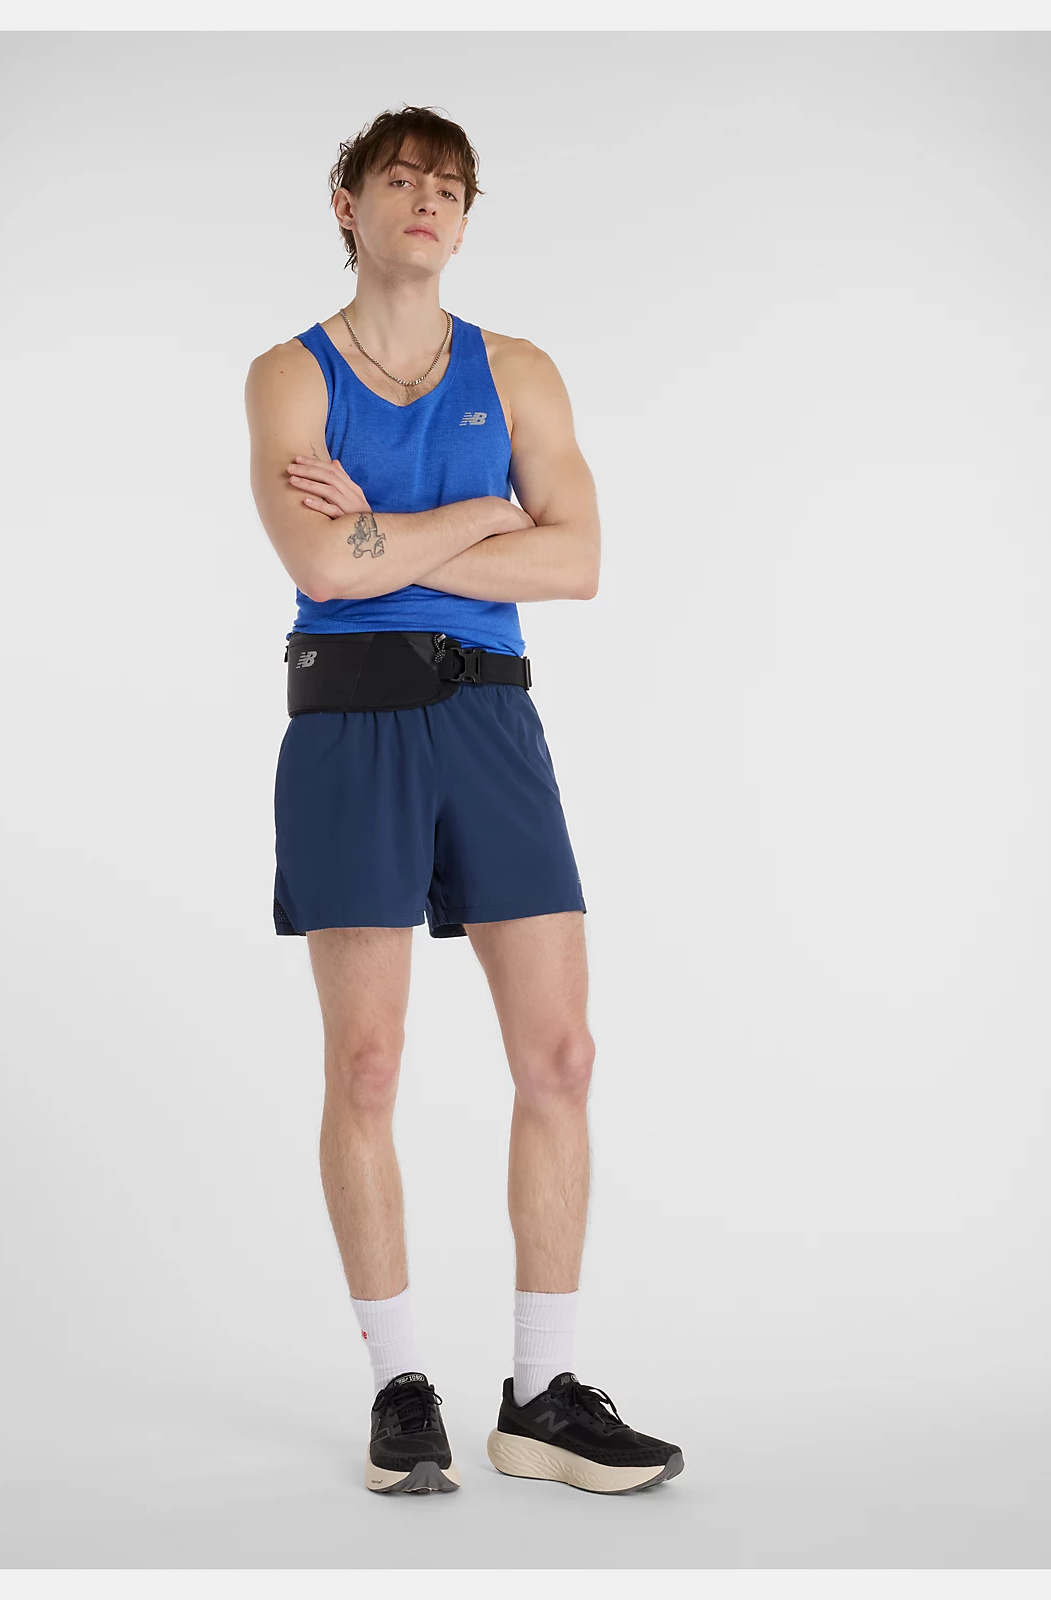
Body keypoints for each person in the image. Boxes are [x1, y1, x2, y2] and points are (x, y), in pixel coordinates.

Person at [244, 105, 683, 1496]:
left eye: (451, 187)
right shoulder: (289, 377)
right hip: (348, 722)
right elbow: (323, 566)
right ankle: (400, 1389)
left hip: (491, 719)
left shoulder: (520, 371)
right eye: (400, 180)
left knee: (562, 1058)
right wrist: (487, 517)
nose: (427, 202)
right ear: (347, 205)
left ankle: (542, 1397)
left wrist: (387, 535)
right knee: (367, 1068)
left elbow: (580, 563)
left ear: (467, 216)